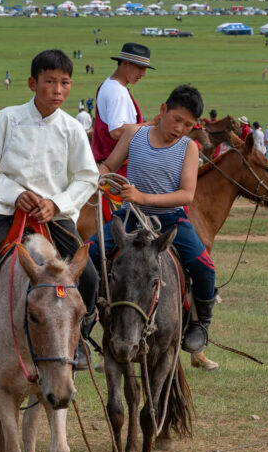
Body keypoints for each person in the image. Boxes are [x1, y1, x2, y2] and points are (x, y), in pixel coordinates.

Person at [0, 49, 97, 365]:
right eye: (49, 82)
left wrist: (55, 204)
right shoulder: (8, 118)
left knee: (91, 276)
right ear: (32, 83)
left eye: (65, 83)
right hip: (5, 210)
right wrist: (15, 194)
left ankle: (80, 337)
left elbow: (87, 178)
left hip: (53, 217)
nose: (58, 90)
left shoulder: (72, 129)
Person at [89, 84, 216, 353]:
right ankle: (85, 319)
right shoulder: (134, 134)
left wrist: (143, 197)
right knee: (88, 254)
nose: (180, 128)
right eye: (176, 119)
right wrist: (101, 176)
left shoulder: (188, 148)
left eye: (188, 125)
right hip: (131, 218)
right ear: (163, 110)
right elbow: (109, 165)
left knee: (205, 267)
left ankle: (199, 323)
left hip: (171, 222)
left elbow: (186, 195)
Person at [91, 42, 153, 172]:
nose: (143, 73)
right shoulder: (117, 91)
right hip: (120, 169)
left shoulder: (109, 85)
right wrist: (151, 125)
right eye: (140, 68)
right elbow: (117, 131)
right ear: (125, 63)